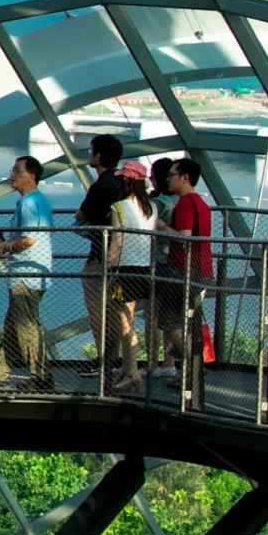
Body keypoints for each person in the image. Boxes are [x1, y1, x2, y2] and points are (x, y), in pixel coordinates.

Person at [0, 156, 53, 389]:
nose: (12, 175)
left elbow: (29, 239)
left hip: (26, 273)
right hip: (35, 271)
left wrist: (6, 246)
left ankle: (40, 377)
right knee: (14, 323)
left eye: (17, 170)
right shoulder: (39, 200)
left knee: (25, 325)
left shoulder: (28, 203)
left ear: (31, 175)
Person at [157, 157, 212, 379]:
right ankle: (189, 371)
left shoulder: (185, 203)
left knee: (170, 323)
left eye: (172, 175)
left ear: (185, 178)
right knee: (190, 322)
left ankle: (191, 366)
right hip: (202, 269)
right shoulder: (202, 203)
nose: (167, 179)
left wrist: (161, 227)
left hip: (183, 269)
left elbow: (184, 238)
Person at [75, 134, 125, 376]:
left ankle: (103, 359)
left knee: (97, 309)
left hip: (100, 257)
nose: (89, 155)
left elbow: (81, 215)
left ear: (98, 156)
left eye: (91, 151)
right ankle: (114, 359)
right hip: (125, 258)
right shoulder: (124, 182)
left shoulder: (102, 186)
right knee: (117, 310)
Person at [108, 160, 157, 392]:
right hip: (146, 269)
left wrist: (109, 265)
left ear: (127, 180)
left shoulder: (119, 207)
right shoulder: (152, 208)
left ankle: (133, 372)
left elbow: (117, 241)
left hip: (125, 270)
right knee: (131, 321)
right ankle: (130, 368)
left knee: (125, 323)